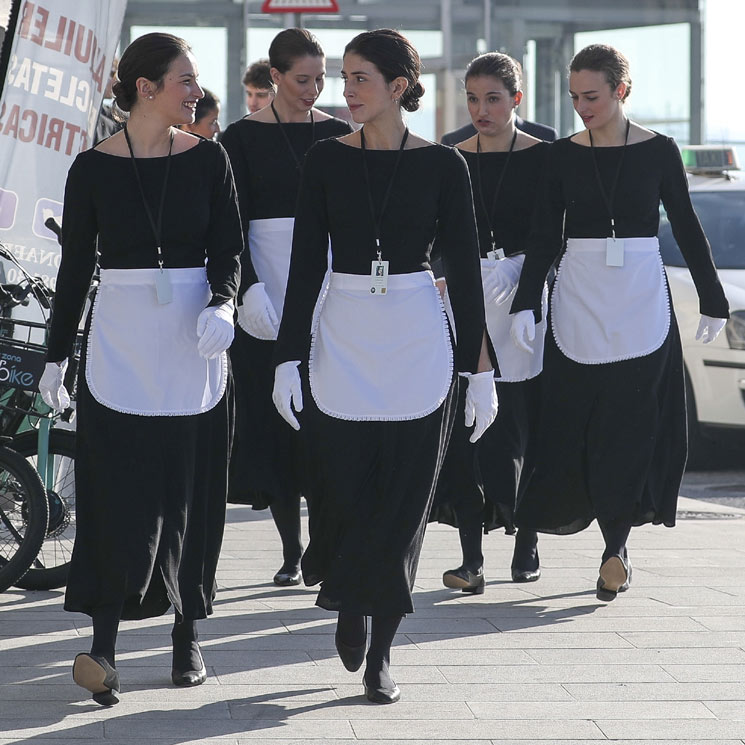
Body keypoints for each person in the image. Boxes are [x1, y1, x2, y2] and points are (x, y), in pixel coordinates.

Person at [272, 29, 498, 704]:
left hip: (414, 343)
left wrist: (478, 369)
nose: (345, 92)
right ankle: (347, 598)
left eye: (359, 79)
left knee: (403, 504)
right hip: (341, 336)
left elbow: (463, 273)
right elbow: (306, 264)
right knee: (342, 490)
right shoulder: (324, 161)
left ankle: (382, 657)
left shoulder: (442, 166)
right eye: (342, 79)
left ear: (398, 86)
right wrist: (288, 355)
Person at [38, 32, 242, 705]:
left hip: (194, 341)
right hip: (120, 341)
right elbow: (74, 269)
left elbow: (228, 250)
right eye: (185, 80)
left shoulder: (208, 159)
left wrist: (223, 303)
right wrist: (56, 355)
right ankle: (103, 645)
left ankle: (188, 631)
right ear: (146, 88)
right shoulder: (91, 168)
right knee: (112, 495)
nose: (197, 92)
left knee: (190, 491)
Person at [509, 43, 729, 601]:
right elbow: (543, 235)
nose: (581, 106)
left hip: (639, 300)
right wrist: (526, 299)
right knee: (574, 424)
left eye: (592, 95)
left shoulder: (659, 150)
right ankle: (542, 533)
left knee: (630, 428)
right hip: (579, 297)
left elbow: (684, 222)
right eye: (574, 96)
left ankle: (616, 548)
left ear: (621, 90)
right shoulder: (562, 155)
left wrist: (713, 296)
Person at [221, 29, 352, 587]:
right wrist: (246, 288)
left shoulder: (343, 134)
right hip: (265, 296)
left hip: (331, 294)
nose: (315, 89)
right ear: (273, 77)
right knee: (276, 427)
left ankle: (322, 542)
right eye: (304, 79)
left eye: (323, 79)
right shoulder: (239, 139)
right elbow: (229, 227)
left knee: (326, 421)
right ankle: (290, 545)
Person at [431, 52, 549, 594]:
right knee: (467, 432)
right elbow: (436, 236)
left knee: (518, 429)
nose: (481, 109)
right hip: (465, 301)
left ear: (516, 99)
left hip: (522, 307)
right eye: (473, 98)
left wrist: (522, 271)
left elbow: (554, 235)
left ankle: (526, 538)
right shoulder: (452, 157)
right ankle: (471, 560)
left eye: (493, 98)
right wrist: (442, 276)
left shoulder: (542, 157)